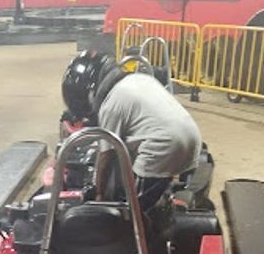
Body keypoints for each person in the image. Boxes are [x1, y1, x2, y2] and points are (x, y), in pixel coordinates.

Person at [61, 51, 202, 214]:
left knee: (133, 213)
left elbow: (106, 156)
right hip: (192, 139)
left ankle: (144, 235)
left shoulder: (110, 103)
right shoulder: (141, 79)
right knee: (155, 189)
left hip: (163, 146)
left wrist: (99, 196)